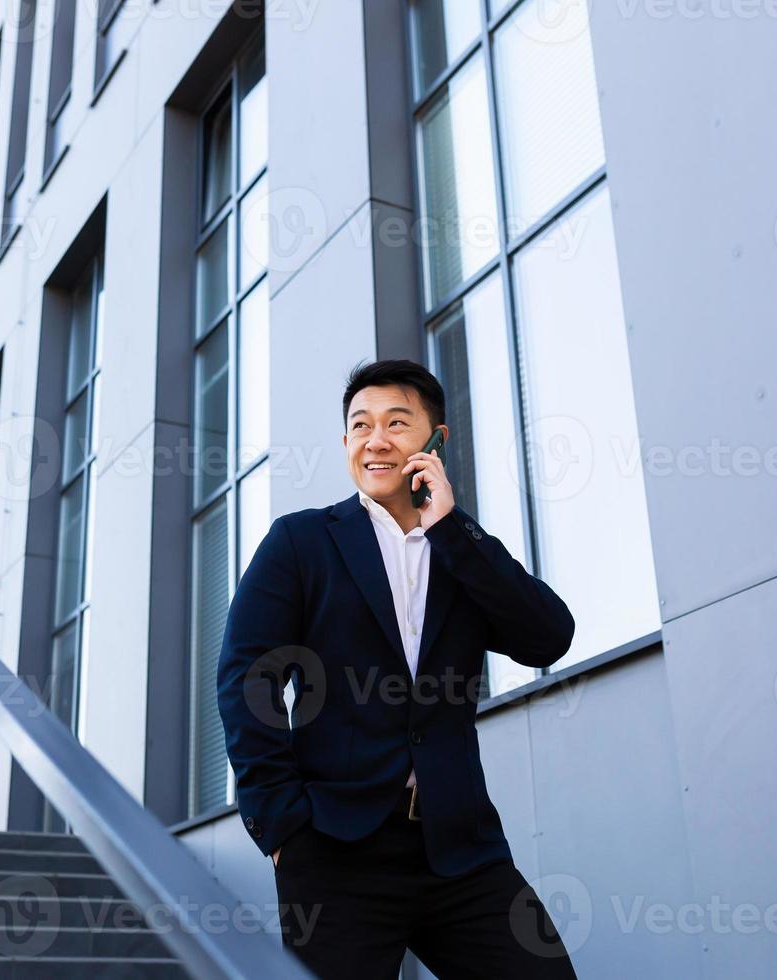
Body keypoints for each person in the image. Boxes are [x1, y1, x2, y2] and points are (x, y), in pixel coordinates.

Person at [217, 358, 581, 978]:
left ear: (437, 439)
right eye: (361, 426)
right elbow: (246, 680)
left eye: (396, 423)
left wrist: (456, 532)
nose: (376, 440)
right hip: (335, 852)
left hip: (461, 849)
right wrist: (282, 830)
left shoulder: (462, 551)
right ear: (346, 444)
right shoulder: (301, 543)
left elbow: (547, 638)